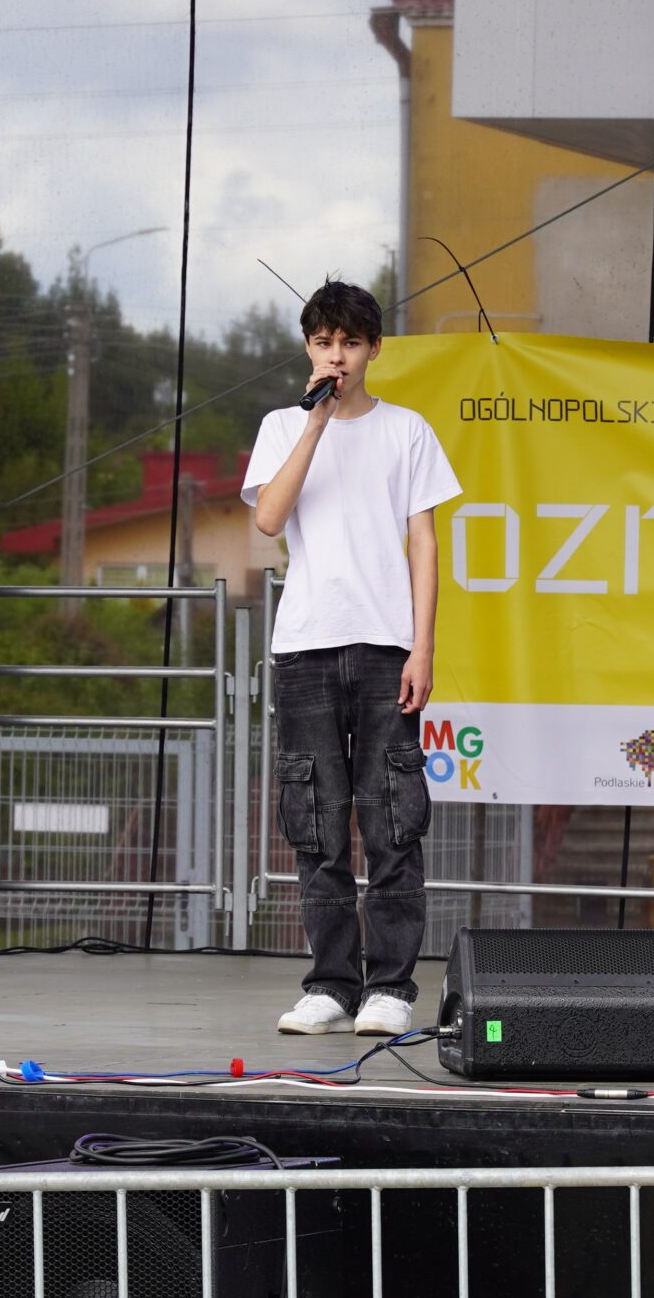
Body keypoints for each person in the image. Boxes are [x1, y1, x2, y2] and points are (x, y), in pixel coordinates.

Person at [242, 281, 460, 1037]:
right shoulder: (283, 425)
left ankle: (390, 987)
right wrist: (315, 423)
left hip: (385, 644)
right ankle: (331, 984)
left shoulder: (407, 430)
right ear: (308, 347)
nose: (337, 355)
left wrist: (422, 647)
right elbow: (270, 519)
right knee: (316, 823)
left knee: (393, 819)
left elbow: (424, 542)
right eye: (324, 342)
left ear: (374, 349)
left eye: (351, 342)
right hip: (305, 643)